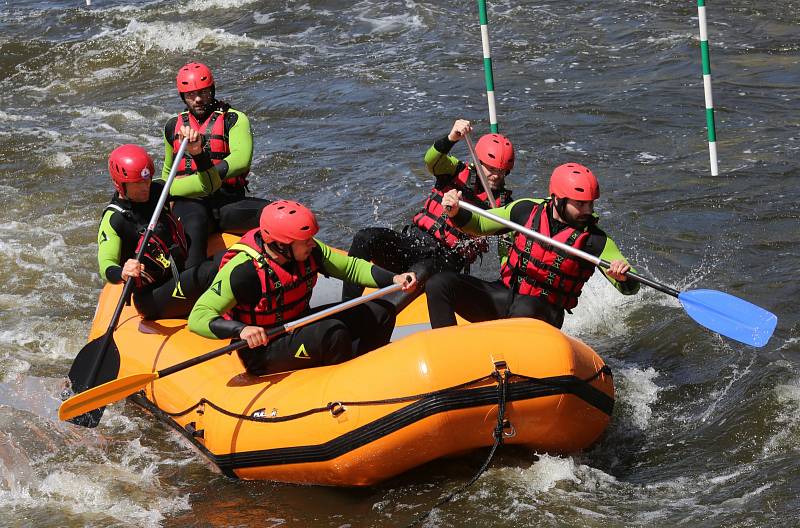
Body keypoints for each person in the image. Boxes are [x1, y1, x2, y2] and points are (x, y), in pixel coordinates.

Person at [188, 200, 418, 376]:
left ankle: (367, 369)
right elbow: (198, 317)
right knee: (333, 333)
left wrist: (394, 278)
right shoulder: (244, 271)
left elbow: (350, 268)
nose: (311, 243)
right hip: (265, 348)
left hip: (299, 323)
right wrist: (241, 330)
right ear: (281, 245)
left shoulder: (310, 250)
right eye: (304, 240)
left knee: (381, 312)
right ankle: (344, 386)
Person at [425, 162, 640, 329]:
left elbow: (631, 286)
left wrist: (624, 276)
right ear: (558, 199)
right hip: (505, 295)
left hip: (544, 313)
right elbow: (479, 224)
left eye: (591, 203)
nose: (587, 210)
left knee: (525, 306)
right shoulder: (525, 210)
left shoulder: (596, 240)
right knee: (439, 283)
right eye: (580, 204)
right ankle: (448, 353)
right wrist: (454, 212)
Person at [340, 119, 514, 301]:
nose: (496, 176)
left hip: (446, 261)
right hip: (414, 243)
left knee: (419, 272)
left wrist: (506, 286)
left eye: (502, 171)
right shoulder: (454, 169)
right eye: (491, 169)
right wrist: (452, 138)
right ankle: (348, 306)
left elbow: (506, 251)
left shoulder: (504, 205)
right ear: (477, 162)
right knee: (365, 238)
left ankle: (384, 313)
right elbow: (430, 160)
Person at [98, 129, 220, 320]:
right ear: (119, 184)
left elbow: (209, 186)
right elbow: (106, 266)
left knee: (233, 259)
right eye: (138, 183)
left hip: (178, 272)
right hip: (152, 297)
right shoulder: (114, 219)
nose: (145, 186)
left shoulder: (158, 190)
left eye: (147, 179)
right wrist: (122, 272)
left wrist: (198, 154)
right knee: (209, 271)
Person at [164, 61, 269, 268]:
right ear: (183, 97)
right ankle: (192, 283)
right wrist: (176, 191)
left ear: (212, 90)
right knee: (194, 224)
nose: (198, 99)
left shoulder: (235, 119)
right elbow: (169, 171)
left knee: (275, 215)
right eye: (191, 95)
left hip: (227, 201)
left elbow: (241, 160)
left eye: (203, 93)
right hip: (189, 204)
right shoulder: (171, 127)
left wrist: (208, 178)